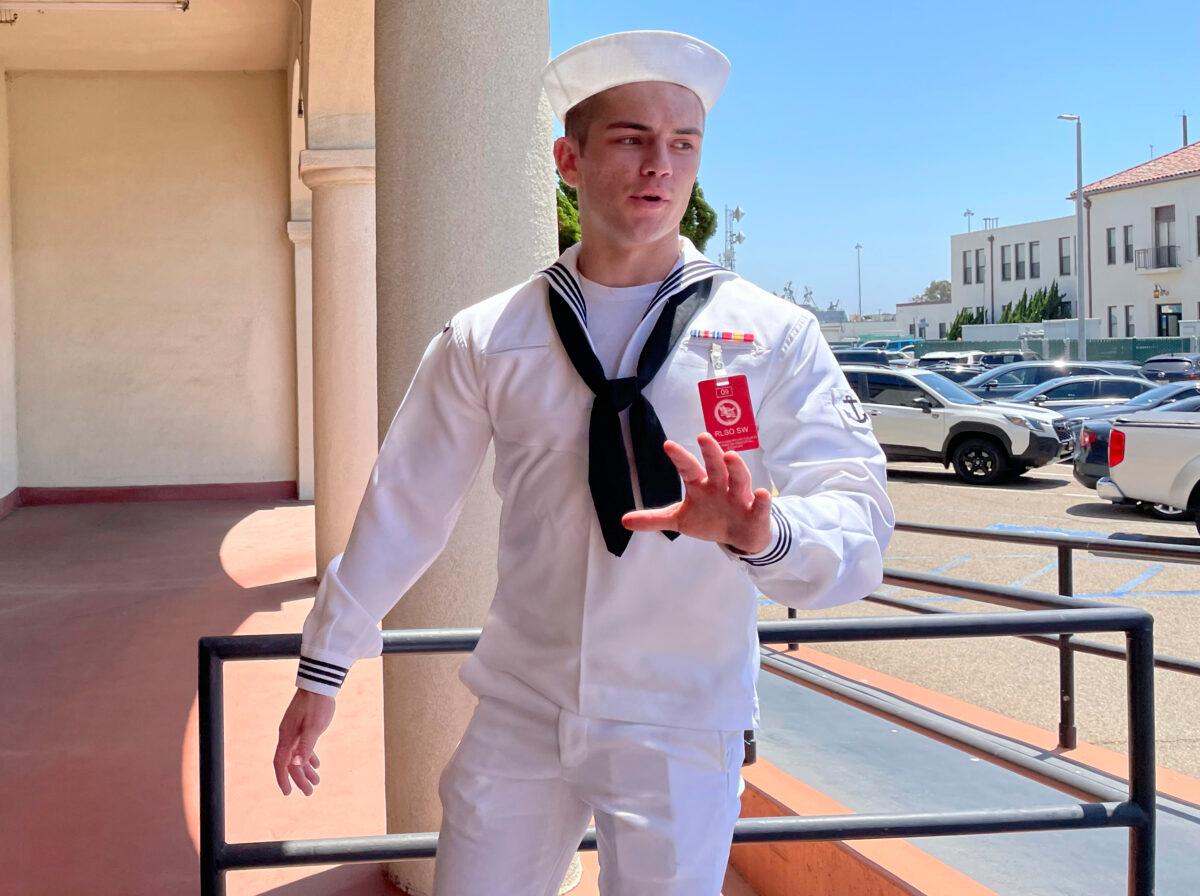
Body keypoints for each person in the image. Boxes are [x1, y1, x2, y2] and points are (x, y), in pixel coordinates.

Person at [273, 30, 894, 895]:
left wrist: (767, 532)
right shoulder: (491, 338)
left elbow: (861, 515)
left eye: (683, 145)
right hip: (522, 708)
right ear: (568, 158)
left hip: (682, 718)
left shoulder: (770, 336)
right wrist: (326, 659)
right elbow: (405, 505)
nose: (659, 166)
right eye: (631, 138)